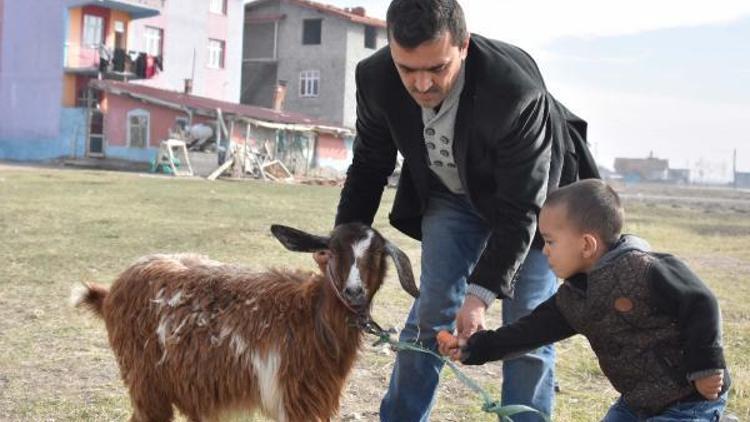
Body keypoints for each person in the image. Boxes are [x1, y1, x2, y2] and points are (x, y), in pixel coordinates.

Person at [333, 0, 598, 420]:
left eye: (437, 68)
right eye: (408, 69)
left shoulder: (514, 88)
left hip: (536, 203)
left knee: (526, 325)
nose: (421, 84)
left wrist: (480, 295)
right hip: (450, 193)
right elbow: (368, 165)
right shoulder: (375, 77)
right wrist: (344, 243)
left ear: (464, 46)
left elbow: (520, 209)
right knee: (431, 313)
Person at [443, 179, 731, 421]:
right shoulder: (573, 299)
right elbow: (527, 333)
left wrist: (706, 367)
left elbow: (701, 303)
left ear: (586, 244)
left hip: (690, 399)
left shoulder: (643, 269)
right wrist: (475, 348)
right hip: (638, 403)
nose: (544, 252)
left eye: (550, 241)